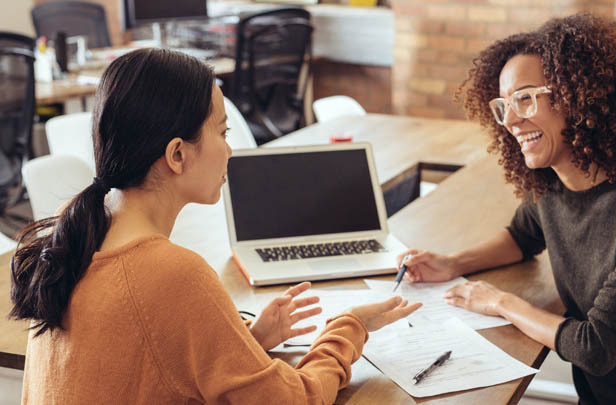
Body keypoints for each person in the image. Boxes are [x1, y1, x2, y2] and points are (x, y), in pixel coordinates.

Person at [10, 48, 421, 404]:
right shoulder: (172, 273)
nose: (230, 149)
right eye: (222, 132)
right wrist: (350, 328)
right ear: (176, 155)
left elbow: (143, 362)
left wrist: (246, 340)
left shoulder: (76, 228)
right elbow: (295, 399)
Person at [397, 13, 616, 404]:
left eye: (526, 98)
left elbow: (596, 347)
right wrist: (453, 263)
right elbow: (521, 237)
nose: (512, 120)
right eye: (504, 104)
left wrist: (500, 302)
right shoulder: (553, 182)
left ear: (581, 97)